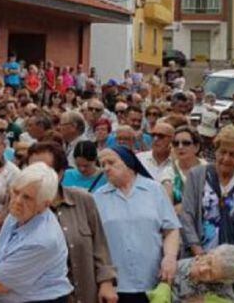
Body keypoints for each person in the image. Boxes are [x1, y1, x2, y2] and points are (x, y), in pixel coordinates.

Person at [180, 125, 234, 300]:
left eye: (233, 154)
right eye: (222, 152)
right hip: (199, 258)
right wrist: (198, 252)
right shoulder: (197, 175)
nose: (226, 158)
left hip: (231, 263)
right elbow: (187, 216)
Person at [26, 142, 117, 303]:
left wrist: (106, 283)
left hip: (84, 293)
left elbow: (100, 245)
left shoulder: (83, 200)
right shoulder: (22, 209)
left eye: (44, 171)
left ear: (60, 173)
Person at [94, 146, 181, 302]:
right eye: (102, 164)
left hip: (153, 280)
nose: (106, 168)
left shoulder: (154, 190)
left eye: (111, 162)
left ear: (128, 163)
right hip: (116, 285)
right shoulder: (98, 197)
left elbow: (171, 229)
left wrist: (170, 257)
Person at [0, 162, 73, 303]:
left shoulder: (43, 240)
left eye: (27, 197)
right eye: (15, 192)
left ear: (45, 204)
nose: (17, 201)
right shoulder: (17, 215)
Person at [161, 126, 205, 208]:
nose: (180, 147)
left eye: (186, 143)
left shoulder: (208, 169)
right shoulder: (169, 171)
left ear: (196, 147)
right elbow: (167, 206)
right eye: (176, 144)